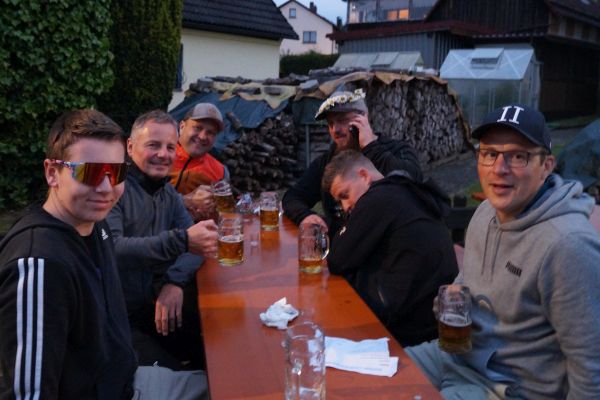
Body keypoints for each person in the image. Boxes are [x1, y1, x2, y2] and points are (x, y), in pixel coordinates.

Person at [406, 104, 600, 399]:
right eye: (489, 153)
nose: (499, 168)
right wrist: (449, 304)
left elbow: (592, 369)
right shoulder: (485, 212)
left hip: (506, 388)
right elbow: (466, 284)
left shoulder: (568, 246)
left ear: (546, 166)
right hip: (456, 355)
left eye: (518, 156)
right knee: (362, 377)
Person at [0, 109, 137, 398]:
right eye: (90, 172)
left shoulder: (95, 226)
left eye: (117, 172)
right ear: (52, 173)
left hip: (125, 381)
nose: (106, 188)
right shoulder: (40, 264)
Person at [106, 110, 218, 372]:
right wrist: (181, 241)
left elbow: (197, 247)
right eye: (153, 145)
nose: (163, 154)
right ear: (130, 147)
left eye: (169, 147)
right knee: (178, 377)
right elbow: (113, 248)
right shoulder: (112, 188)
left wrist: (174, 282)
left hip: (152, 307)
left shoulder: (167, 192)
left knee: (216, 345)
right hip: (114, 320)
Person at [322, 150, 458, 346]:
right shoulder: (405, 190)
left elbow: (337, 259)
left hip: (408, 331)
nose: (345, 207)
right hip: (433, 318)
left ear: (363, 175)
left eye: (345, 195)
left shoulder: (378, 198)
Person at [283, 88, 423, 237]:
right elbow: (293, 197)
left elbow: (412, 182)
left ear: (363, 118)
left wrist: (371, 147)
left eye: (342, 120)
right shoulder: (329, 161)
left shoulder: (396, 150)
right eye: (330, 123)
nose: (335, 129)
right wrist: (305, 216)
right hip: (343, 244)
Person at [171, 103, 227, 221]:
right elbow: (141, 201)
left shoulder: (221, 171)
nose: (202, 137)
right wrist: (187, 201)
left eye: (210, 132)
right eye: (197, 128)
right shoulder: (160, 157)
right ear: (182, 126)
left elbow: (225, 214)